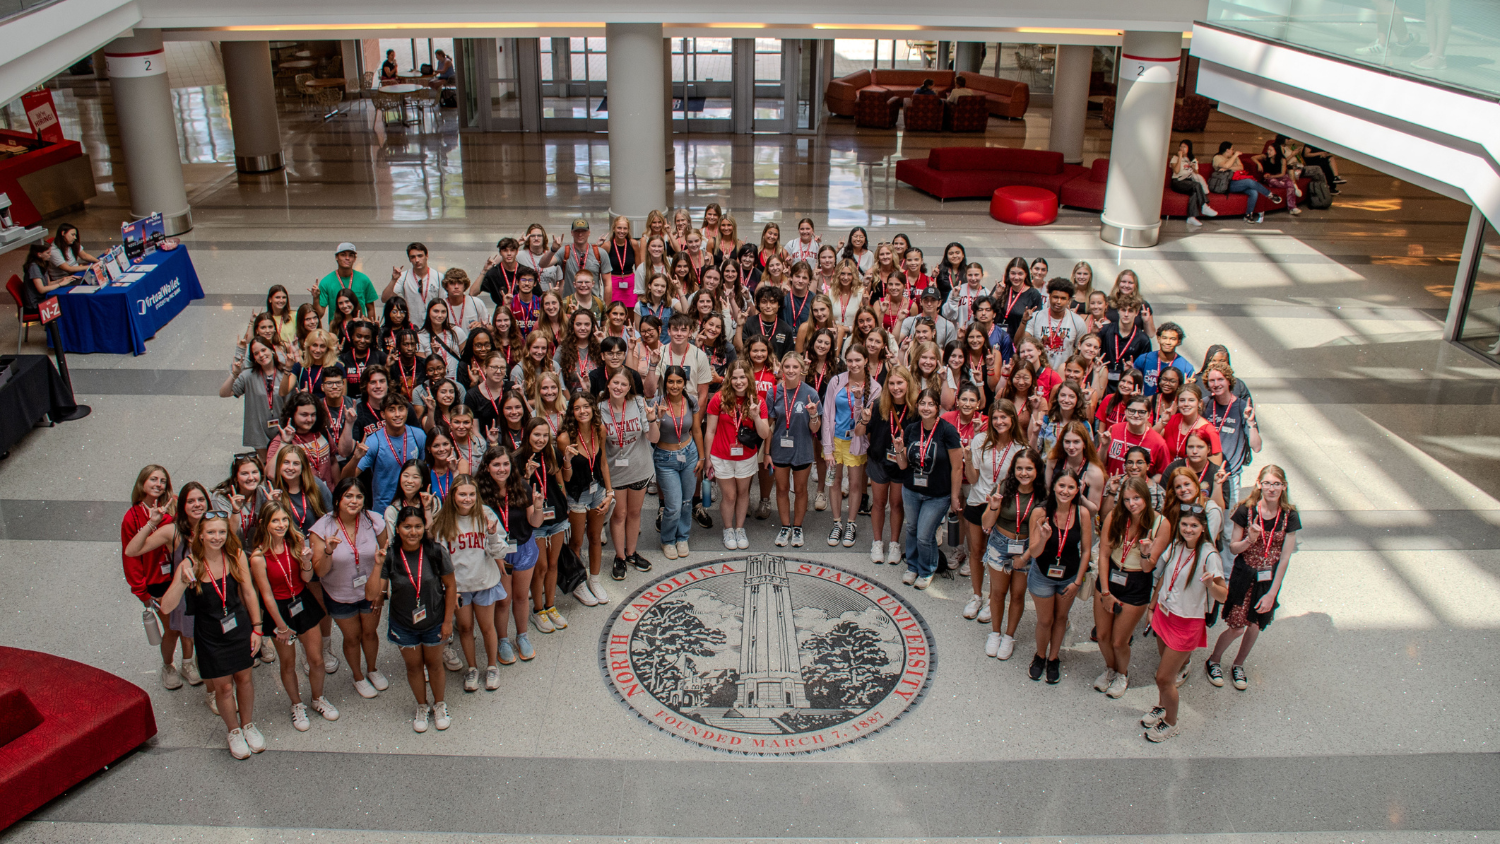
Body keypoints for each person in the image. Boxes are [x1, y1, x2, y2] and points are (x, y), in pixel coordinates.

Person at [158, 512, 264, 759]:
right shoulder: (190, 564)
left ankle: (248, 724)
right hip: (210, 635)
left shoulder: (235, 555)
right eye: (212, 532)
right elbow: (166, 606)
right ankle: (234, 731)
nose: (217, 537)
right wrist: (183, 583)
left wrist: (257, 628)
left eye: (222, 532)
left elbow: (248, 592)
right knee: (224, 687)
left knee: (245, 679)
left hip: (239, 626)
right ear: (200, 535)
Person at [1206, 464, 1300, 692]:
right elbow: (1233, 549)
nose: (1271, 488)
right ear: (1259, 484)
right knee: (1238, 626)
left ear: (1283, 486)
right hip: (1243, 575)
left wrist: (1272, 594)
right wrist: (1250, 538)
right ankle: (1214, 660)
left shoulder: (1289, 516)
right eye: (1267, 483)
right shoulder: (1246, 511)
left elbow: (1285, 558)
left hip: (1267, 580)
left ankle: (1238, 665)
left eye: (1276, 484)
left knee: (1255, 626)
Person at [1140, 505, 1227, 741]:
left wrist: (1211, 585)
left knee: (1164, 678)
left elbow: (1223, 595)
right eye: (1185, 524)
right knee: (1163, 671)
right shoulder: (1176, 546)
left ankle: (1171, 722)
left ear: (1202, 528)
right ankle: (1161, 707)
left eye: (1194, 525)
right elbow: (1153, 572)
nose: (1188, 529)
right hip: (1164, 614)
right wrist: (1146, 553)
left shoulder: (1210, 555)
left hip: (1186, 624)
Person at [249, 501, 337, 731]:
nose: (281, 524)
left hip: (302, 601)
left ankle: (318, 698)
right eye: (275, 520)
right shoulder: (258, 557)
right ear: (265, 524)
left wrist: (306, 561)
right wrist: (280, 626)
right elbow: (266, 595)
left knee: (316, 659)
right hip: (278, 610)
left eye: (284, 520)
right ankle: (297, 705)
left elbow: (307, 579)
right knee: (287, 664)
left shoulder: (295, 543)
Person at [369, 506, 458, 733]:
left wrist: (448, 621)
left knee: (435, 665)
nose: (413, 532)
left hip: (435, 621)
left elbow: (450, 587)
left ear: (424, 528)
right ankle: (422, 705)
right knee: (414, 667)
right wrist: (377, 565)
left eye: (418, 527)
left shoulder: (436, 552)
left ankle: (439, 704)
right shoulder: (389, 555)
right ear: (397, 529)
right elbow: (371, 594)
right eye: (407, 527)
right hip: (403, 625)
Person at [122, 465, 199, 690]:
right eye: (153, 479)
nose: (158, 484)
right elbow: (131, 557)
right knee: (172, 629)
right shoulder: (131, 517)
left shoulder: (175, 504)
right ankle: (168, 666)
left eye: (162, 480)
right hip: (157, 582)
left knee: (188, 625)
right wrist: (141, 592)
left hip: (182, 574)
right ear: (142, 483)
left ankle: (188, 663)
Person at [311, 478, 390, 699]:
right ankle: (358, 676)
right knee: (352, 637)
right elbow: (319, 572)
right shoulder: (322, 528)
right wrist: (328, 551)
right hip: (339, 594)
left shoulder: (374, 521)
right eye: (348, 496)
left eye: (359, 496)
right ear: (337, 499)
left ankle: (372, 669)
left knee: (370, 633)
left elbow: (386, 557)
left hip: (371, 589)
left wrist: (383, 591)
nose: (353, 501)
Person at [1092, 477, 1164, 700]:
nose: (1132, 504)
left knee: (1119, 640)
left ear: (1146, 497)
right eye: (1126, 499)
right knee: (1102, 636)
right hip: (1109, 576)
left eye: (1137, 498)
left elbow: (1148, 567)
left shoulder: (1161, 524)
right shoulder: (1115, 517)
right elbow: (1103, 554)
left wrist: (1145, 552)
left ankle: (1122, 674)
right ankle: (1110, 669)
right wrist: (1105, 592)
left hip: (1136, 583)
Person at [1025, 471, 1092, 684]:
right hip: (1042, 575)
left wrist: (1077, 582)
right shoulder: (1040, 512)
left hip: (1068, 577)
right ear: (1053, 487)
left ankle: (1054, 658)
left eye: (1071, 487)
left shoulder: (1082, 513)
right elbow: (1034, 553)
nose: (1065, 491)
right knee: (1045, 620)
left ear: (1077, 490)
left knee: (1061, 619)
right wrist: (1043, 539)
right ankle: (1040, 656)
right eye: (1061, 486)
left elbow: (1087, 550)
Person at [893, 388, 962, 589]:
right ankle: (912, 566)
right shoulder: (912, 429)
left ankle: (927, 568)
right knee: (912, 529)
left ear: (937, 407)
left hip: (937, 495)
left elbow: (957, 468)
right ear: (917, 406)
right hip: (912, 490)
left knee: (925, 535)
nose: (926, 407)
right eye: (922, 403)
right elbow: (904, 465)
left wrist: (955, 496)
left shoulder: (947, 431)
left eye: (931, 404)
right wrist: (899, 451)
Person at [754, 353, 823, 548]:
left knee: (800, 490)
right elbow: (769, 426)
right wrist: (767, 454)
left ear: (802, 369)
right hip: (779, 448)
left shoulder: (811, 393)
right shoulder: (774, 392)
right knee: (782, 489)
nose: (791, 371)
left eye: (795, 367)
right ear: (781, 369)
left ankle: (798, 527)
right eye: (787, 367)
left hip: (803, 449)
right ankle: (785, 526)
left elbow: (815, 429)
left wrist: (813, 415)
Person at [602, 368, 659, 578]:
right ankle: (619, 557)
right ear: (608, 384)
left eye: (623, 384)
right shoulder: (600, 409)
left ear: (629, 388)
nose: (618, 387)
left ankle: (631, 552)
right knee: (619, 514)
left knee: (634, 513)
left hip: (640, 468)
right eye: (615, 383)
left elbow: (653, 439)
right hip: (614, 471)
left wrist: (652, 419)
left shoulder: (637, 403)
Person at [558, 393, 615, 604]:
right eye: (577, 408)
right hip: (576, 495)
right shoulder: (565, 438)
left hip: (598, 491)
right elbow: (565, 477)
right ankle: (579, 583)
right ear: (571, 412)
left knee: (595, 536)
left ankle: (595, 580)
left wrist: (609, 493)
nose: (582, 411)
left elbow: (603, 464)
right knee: (576, 541)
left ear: (593, 409)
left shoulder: (599, 430)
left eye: (586, 407)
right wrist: (567, 461)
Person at [823, 345, 879, 548]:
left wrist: (857, 401)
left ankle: (851, 523)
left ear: (866, 360)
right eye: (850, 360)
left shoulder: (874, 388)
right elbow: (828, 415)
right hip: (835, 439)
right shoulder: (836, 381)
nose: (853, 364)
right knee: (835, 482)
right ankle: (837, 522)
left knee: (855, 484)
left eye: (857, 360)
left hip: (856, 441)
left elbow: (862, 424)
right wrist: (827, 448)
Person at [517, 418, 569, 633]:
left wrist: (567, 463)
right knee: (541, 567)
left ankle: (550, 606)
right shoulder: (517, 459)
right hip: (535, 520)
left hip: (556, 516)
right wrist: (527, 477)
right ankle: (538, 610)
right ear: (527, 434)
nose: (541, 439)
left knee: (554, 564)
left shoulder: (552, 453)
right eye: (536, 434)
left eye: (545, 435)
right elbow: (518, 496)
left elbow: (561, 481)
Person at [704, 360, 761, 550]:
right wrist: (707, 459)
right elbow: (710, 431)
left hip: (746, 456)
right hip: (721, 455)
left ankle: (739, 528)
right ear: (729, 379)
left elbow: (764, 434)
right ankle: (728, 529)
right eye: (734, 378)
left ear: (748, 378)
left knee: (743, 493)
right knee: (729, 495)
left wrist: (756, 416)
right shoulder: (718, 399)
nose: (738, 382)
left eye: (742, 377)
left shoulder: (756, 399)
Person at [652, 365, 706, 558]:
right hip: (665, 459)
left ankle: (682, 536)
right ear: (665, 383)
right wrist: (656, 419)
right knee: (673, 505)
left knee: (686, 502)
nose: (674, 386)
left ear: (685, 383)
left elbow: (697, 430)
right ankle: (667, 540)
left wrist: (701, 456)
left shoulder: (691, 401)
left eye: (678, 382)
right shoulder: (658, 402)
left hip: (689, 454)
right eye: (670, 381)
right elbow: (652, 437)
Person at [344, 393, 427, 513]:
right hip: (384, 509)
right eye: (392, 410)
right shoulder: (373, 441)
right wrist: (355, 458)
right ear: (383, 414)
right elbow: (346, 478)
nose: (397, 414)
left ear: (407, 412)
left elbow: (425, 469)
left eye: (401, 409)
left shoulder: (418, 435)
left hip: (413, 508)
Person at [222, 337, 288, 460]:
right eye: (256, 353)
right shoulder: (248, 375)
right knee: (266, 466)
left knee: (281, 464)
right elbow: (224, 393)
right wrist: (234, 374)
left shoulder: (285, 373)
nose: (261, 355)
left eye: (263, 350)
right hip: (259, 431)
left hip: (283, 429)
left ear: (272, 350)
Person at [1025, 278, 1090, 374]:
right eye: (1055, 297)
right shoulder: (1036, 317)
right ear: (1049, 296)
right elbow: (1023, 343)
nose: (1058, 302)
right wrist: (1023, 322)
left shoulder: (1078, 321)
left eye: (1063, 298)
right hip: (1038, 373)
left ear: (1069, 300)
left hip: (1065, 375)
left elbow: (1081, 352)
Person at [1211, 142, 1278, 224]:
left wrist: (1229, 167)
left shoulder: (1233, 157)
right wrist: (1234, 157)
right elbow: (1225, 166)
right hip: (1226, 184)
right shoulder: (1217, 158)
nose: (1233, 151)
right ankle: (1269, 194)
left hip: (1238, 182)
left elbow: (1241, 167)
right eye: (1232, 149)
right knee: (1249, 182)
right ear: (1227, 150)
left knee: (1253, 192)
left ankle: (1248, 215)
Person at [312, 243, 379, 319]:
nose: (347, 258)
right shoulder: (326, 282)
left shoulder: (364, 280)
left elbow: (370, 309)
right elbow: (319, 315)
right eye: (343, 255)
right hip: (336, 329)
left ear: (354, 259)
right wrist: (316, 298)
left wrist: (372, 328)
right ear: (336, 257)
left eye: (351, 255)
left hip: (359, 328)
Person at [1134, 321, 1194, 397]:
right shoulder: (1143, 359)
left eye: (1172, 339)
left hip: (1171, 407)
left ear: (1179, 342)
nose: (1168, 342)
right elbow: (1133, 381)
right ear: (1158, 339)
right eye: (1164, 338)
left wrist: (1186, 388)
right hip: (1147, 405)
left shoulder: (1186, 368)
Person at [1169, 140, 1218, 228]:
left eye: (1184, 147)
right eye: (1181, 146)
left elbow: (1196, 172)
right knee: (1196, 185)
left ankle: (1191, 217)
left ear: (1189, 149)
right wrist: (1180, 157)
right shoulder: (1175, 158)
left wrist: (1192, 166)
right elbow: (1176, 171)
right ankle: (1204, 206)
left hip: (1189, 181)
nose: (1182, 149)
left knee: (1194, 193)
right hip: (1177, 182)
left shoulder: (1193, 159)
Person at [382, 242, 443, 311]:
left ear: (426, 256)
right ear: (409, 259)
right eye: (413, 257)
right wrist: (393, 280)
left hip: (433, 320)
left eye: (420, 256)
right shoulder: (403, 276)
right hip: (411, 320)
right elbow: (385, 299)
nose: (417, 260)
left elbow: (444, 302)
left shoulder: (438, 277)